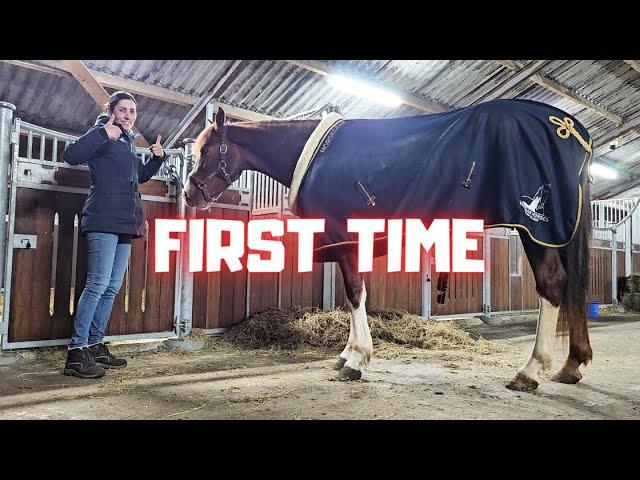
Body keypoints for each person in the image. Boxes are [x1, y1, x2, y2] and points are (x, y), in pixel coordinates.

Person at [62, 91, 166, 378]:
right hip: (103, 218)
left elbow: (138, 177)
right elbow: (70, 155)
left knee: (110, 288)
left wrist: (157, 159)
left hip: (125, 222)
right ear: (111, 110)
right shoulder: (102, 133)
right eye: (123, 110)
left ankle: (95, 345)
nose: (128, 116)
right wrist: (101, 135)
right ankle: (76, 353)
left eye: (132, 111)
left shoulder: (127, 141)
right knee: (96, 284)